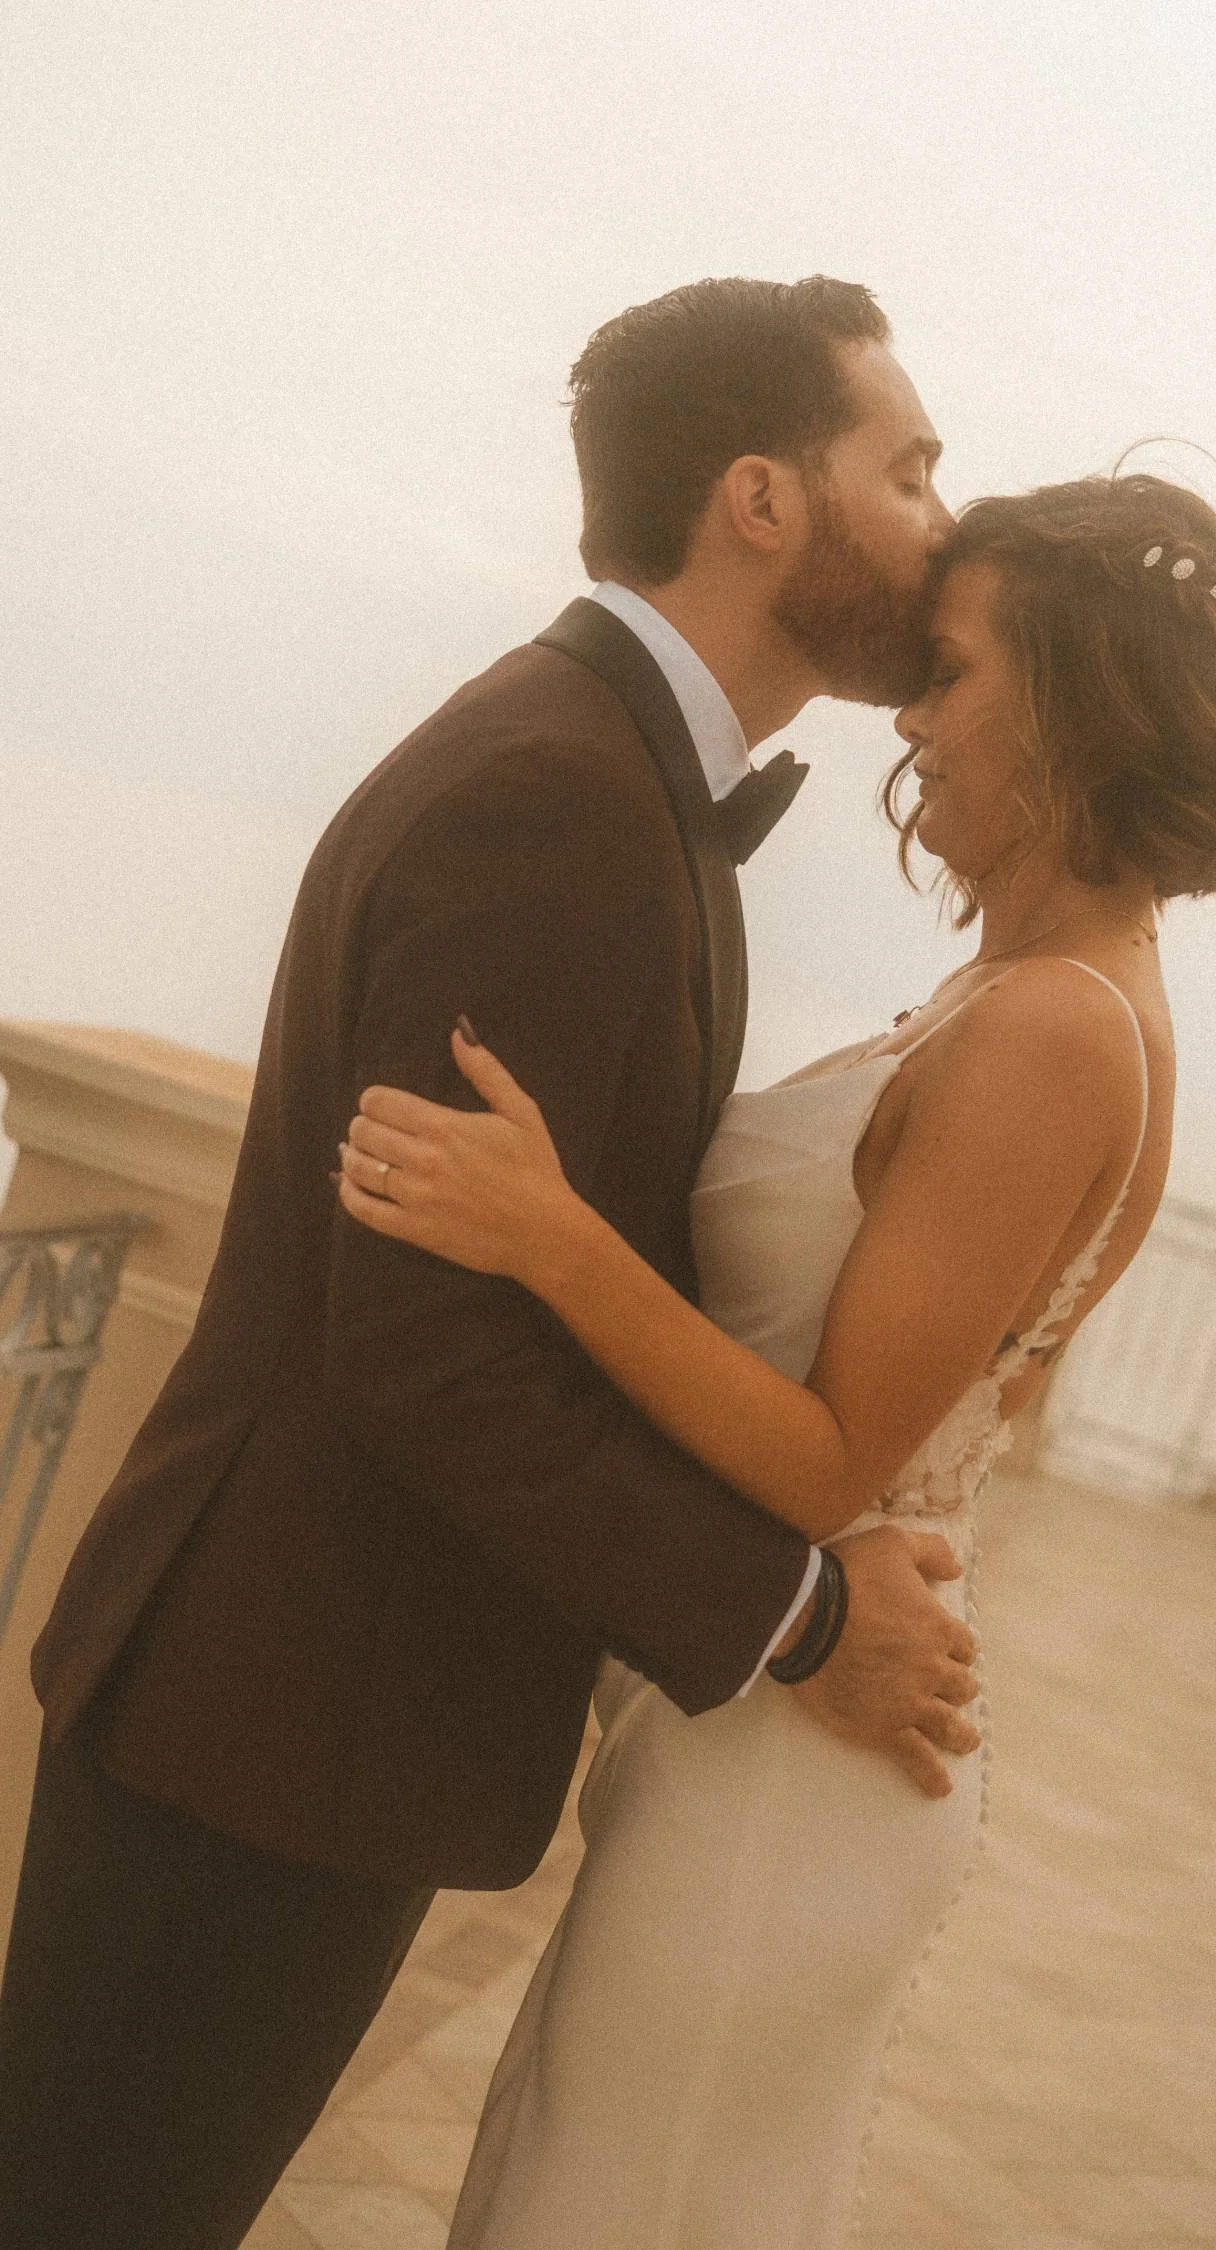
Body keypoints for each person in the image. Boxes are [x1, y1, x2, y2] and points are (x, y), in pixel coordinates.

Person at [0, 276, 982, 2250]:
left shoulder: (613, 783)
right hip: (265, 1718)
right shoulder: (558, 800)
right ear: (764, 500)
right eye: (912, 464)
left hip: (301, 1715)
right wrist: (796, 1617)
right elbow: (430, 1357)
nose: (946, 519)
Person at [335, 469, 1216, 2247]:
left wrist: (549, 1232)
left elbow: (824, 1462)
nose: (911, 720)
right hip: (754, 1731)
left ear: (1078, 704)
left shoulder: (1059, 1031)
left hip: (803, 1779)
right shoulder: (1014, 986)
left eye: (949, 673)